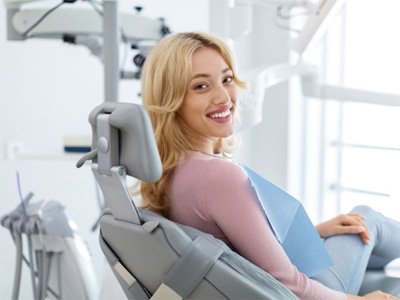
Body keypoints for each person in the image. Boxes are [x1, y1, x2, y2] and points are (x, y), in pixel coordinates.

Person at [140, 32, 400, 300]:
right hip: (305, 292)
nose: (224, 97)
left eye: (226, 79)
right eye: (201, 87)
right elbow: (289, 284)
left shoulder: (168, 168)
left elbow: (233, 249)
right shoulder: (218, 176)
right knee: (367, 219)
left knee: (356, 229)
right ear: (172, 101)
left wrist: (316, 232)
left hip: (253, 285)